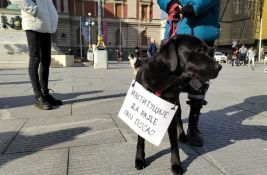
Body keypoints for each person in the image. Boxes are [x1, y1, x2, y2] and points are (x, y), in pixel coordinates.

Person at [158, 0, 221, 147]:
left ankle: (193, 125)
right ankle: (177, 123)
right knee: (171, 82)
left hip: (201, 32)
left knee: (198, 81)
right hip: (175, 33)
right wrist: (170, 3)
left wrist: (195, 6)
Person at [10, 0, 62, 110]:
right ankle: (38, 96)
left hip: (46, 23)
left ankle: (45, 93)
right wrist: (34, 10)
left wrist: (53, 15)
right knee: (35, 58)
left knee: (46, 59)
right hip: (33, 21)